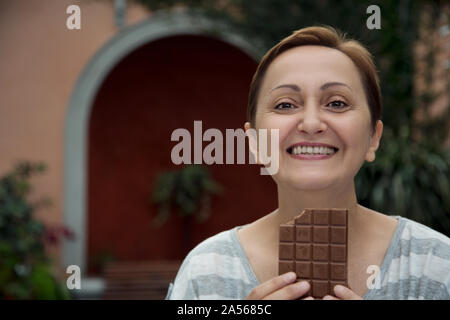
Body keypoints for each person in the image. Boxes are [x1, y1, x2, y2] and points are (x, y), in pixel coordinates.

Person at [165, 25, 450, 300]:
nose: (311, 123)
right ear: (254, 142)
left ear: (373, 138)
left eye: (337, 103)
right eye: (285, 105)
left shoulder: (436, 263)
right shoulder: (206, 271)